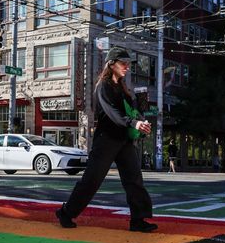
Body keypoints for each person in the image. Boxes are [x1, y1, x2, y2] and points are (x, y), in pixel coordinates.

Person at [55, 47, 157, 233]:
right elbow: (113, 114)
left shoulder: (124, 88)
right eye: (123, 63)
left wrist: (142, 124)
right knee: (92, 180)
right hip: (106, 140)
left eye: (128, 63)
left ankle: (138, 220)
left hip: (124, 140)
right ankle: (66, 212)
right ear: (111, 64)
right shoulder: (103, 86)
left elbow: (130, 113)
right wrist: (134, 123)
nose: (127, 66)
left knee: (134, 179)